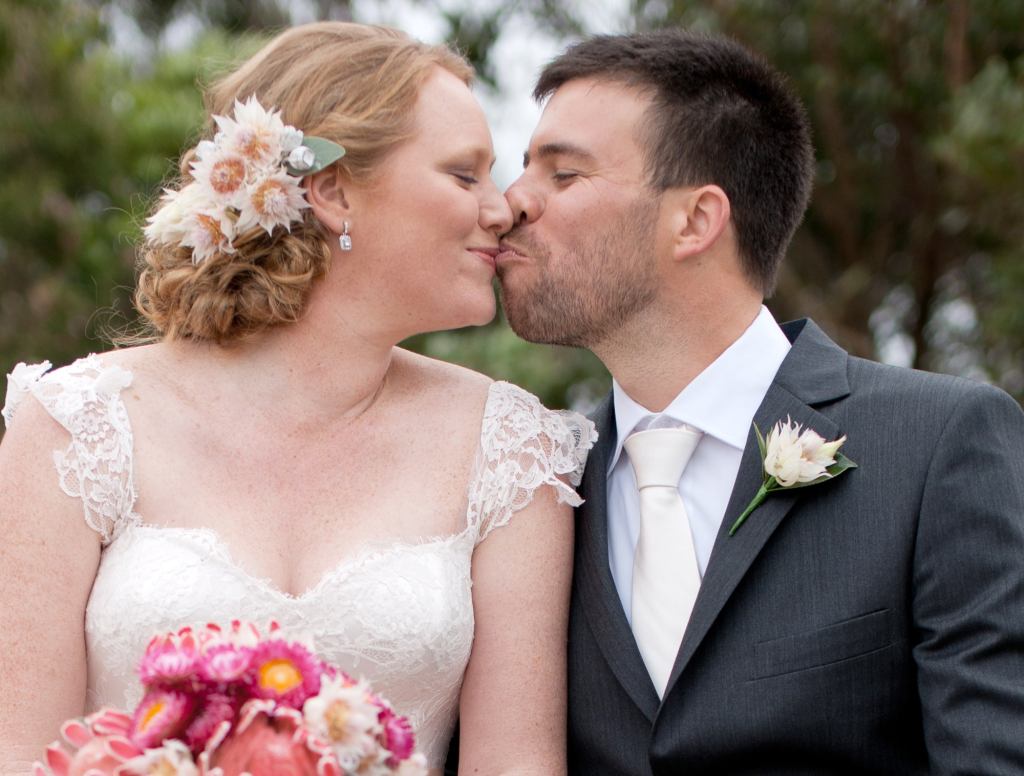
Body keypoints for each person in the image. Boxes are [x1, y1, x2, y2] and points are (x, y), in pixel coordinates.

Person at [0, 22, 595, 775]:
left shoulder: (512, 449)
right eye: (463, 175)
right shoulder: (77, 425)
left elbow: (517, 766)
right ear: (333, 190)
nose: (500, 209)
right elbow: (17, 754)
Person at [496, 28, 1024, 774]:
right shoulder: (532, 488)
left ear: (696, 221)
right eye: (523, 170)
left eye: (564, 175)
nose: (510, 203)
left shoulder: (938, 444)